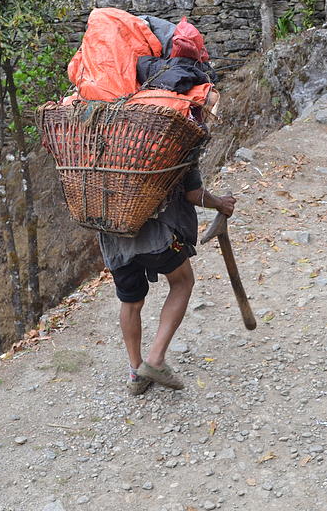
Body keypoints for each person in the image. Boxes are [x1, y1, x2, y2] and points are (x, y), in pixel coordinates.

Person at [99, 166, 236, 395]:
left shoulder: (101, 141)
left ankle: (135, 372)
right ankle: (155, 360)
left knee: (131, 302)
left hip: (113, 234)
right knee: (182, 282)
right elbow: (193, 193)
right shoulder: (173, 136)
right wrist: (220, 203)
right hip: (154, 234)